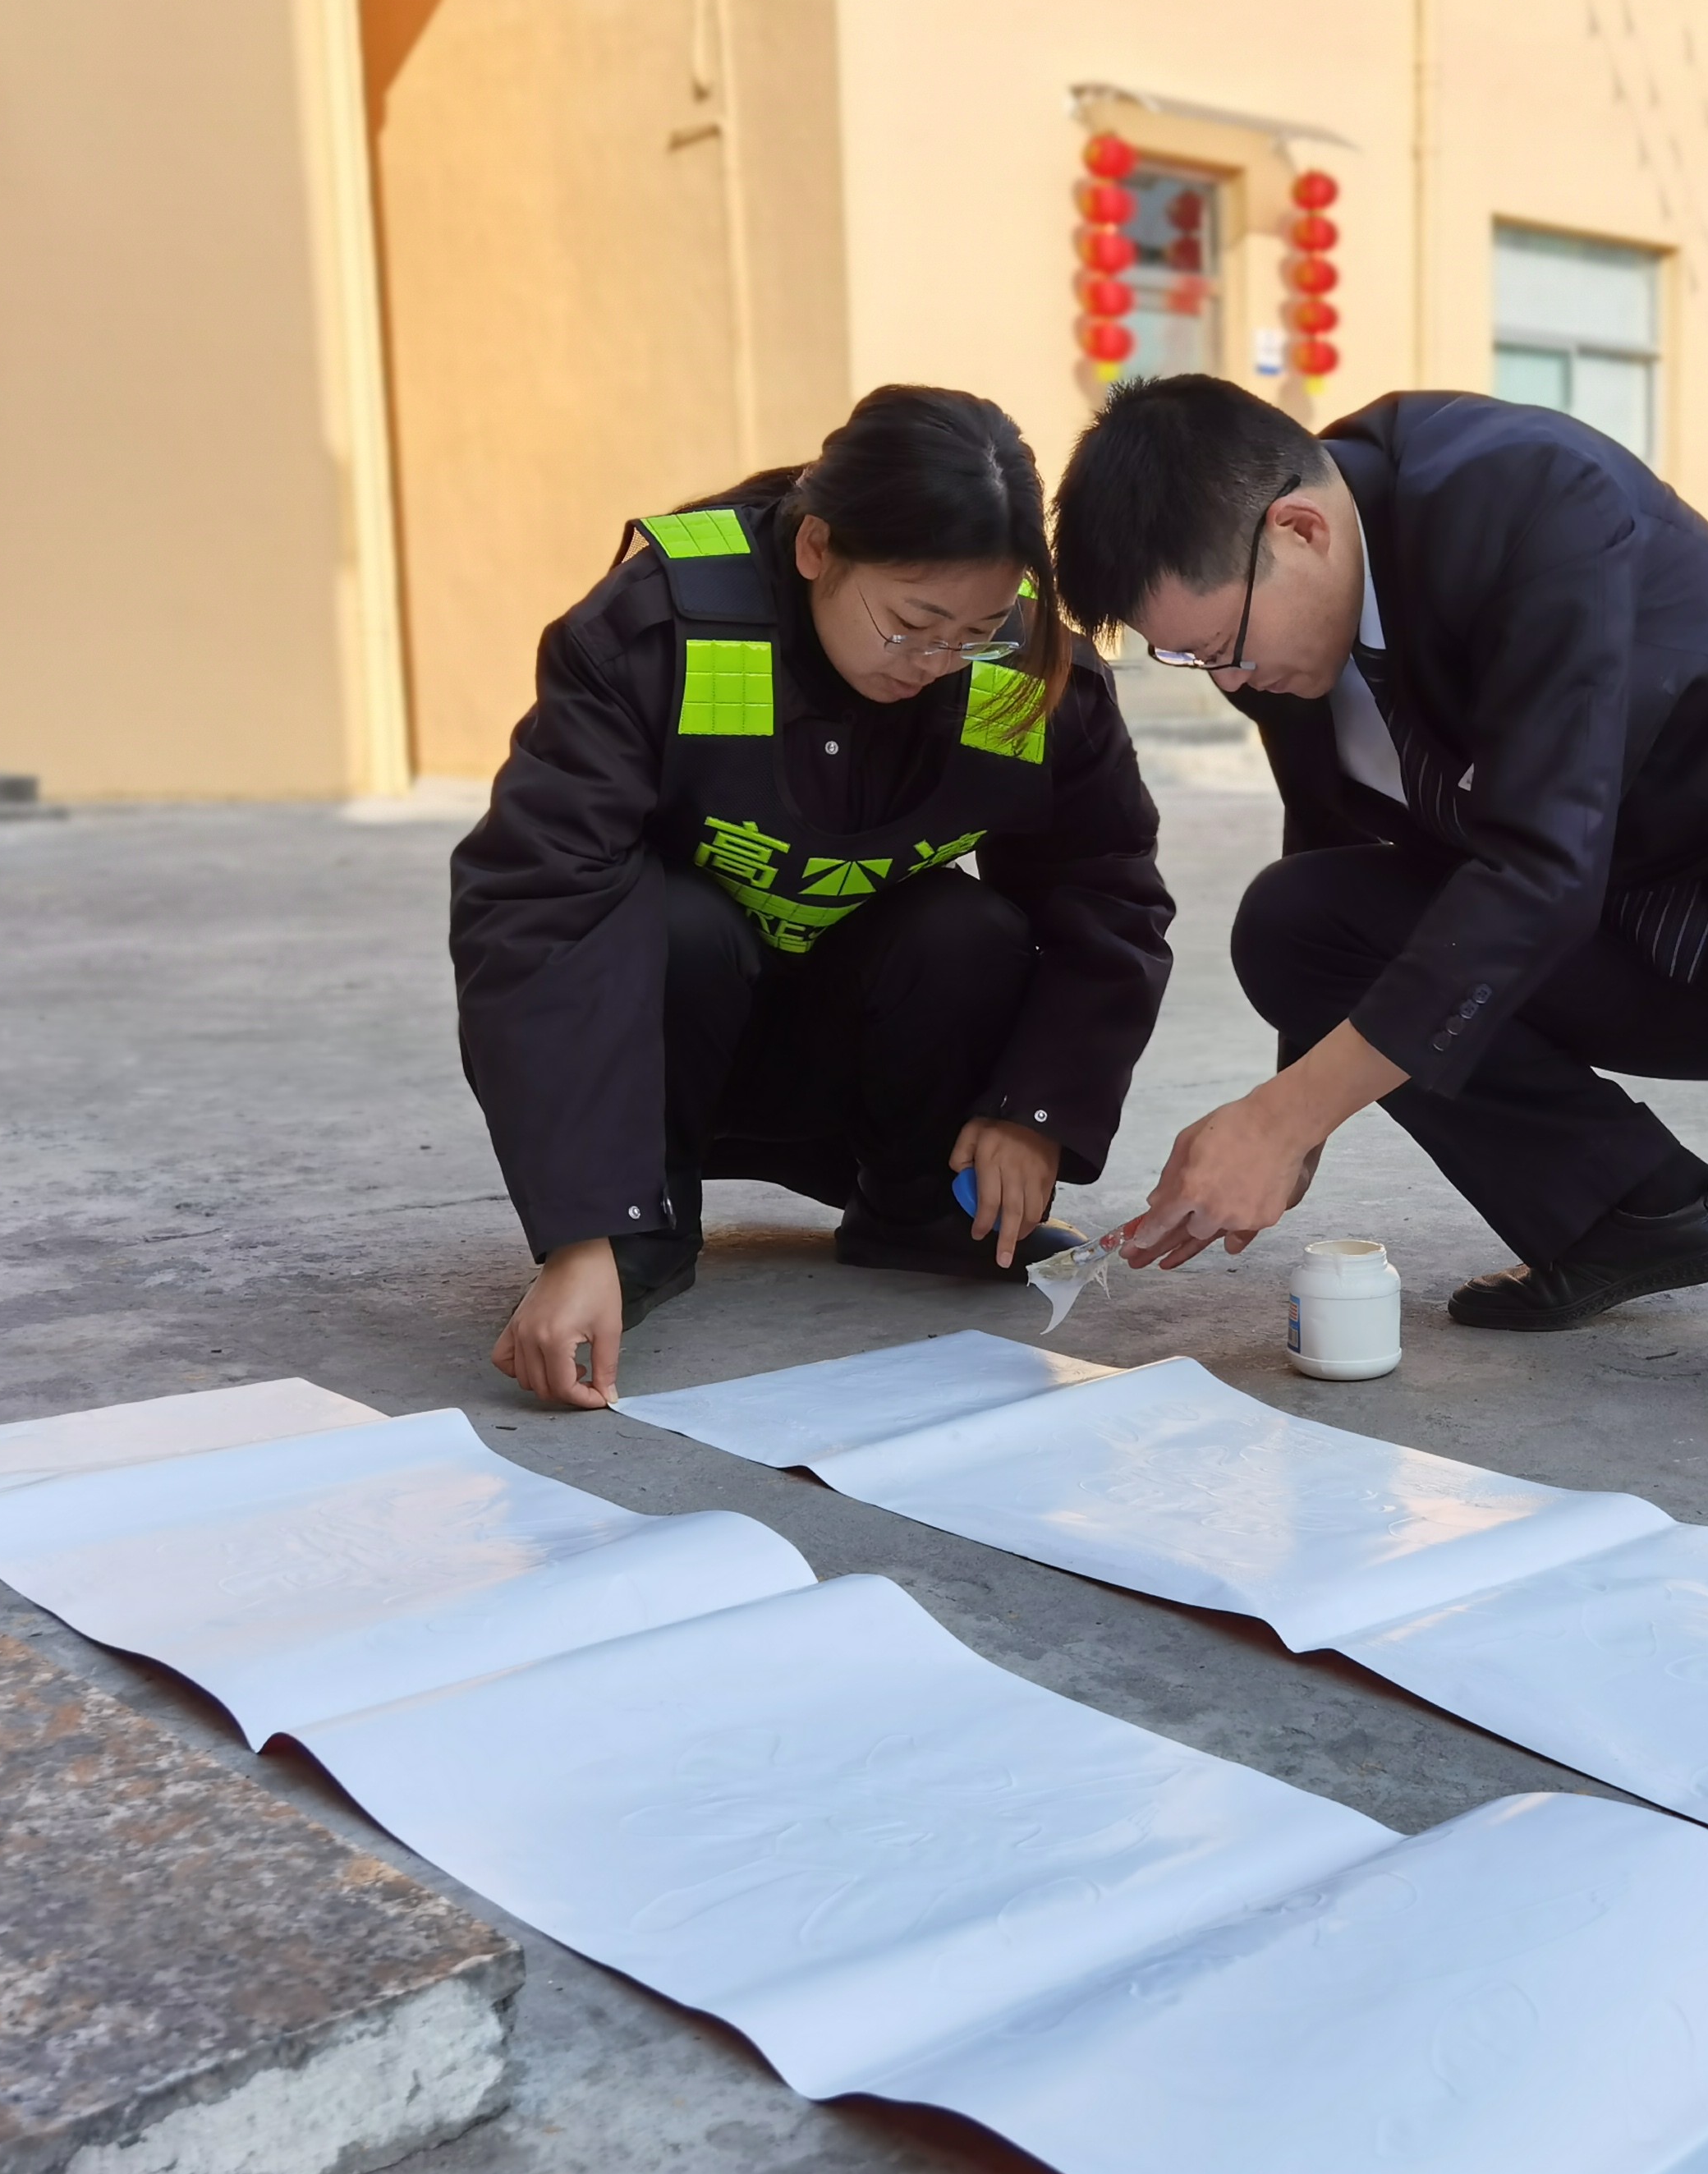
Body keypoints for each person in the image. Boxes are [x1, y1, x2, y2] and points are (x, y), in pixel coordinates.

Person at [1050, 376, 1708, 1487]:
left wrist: (1282, 1118)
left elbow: (1539, 866)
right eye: (1193, 661)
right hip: (1603, 952)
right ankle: (1625, 1213)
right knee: (1295, 919)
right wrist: (1299, 1128)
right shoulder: (1282, 641)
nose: (1231, 680)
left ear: (1300, 529)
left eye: (1223, 646)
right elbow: (1342, 846)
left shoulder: (1521, 495)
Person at [455, 385, 1173, 1410]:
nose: (937, 663)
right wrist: (579, 1227)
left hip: (857, 1055)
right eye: (912, 622)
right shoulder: (664, 630)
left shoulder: (1012, 671)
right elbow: (540, 906)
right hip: (663, 1055)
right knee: (677, 921)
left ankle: (923, 1209)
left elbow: (1105, 896)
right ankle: (637, 1232)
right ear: (816, 549)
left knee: (964, 928)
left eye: (972, 630)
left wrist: (1033, 1112)